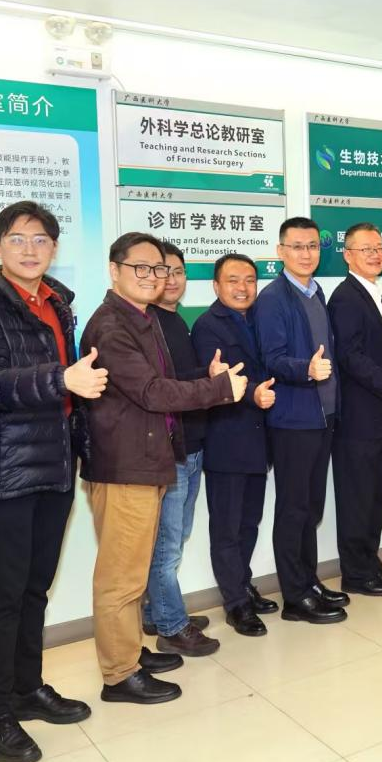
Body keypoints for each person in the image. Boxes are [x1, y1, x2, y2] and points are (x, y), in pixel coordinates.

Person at [0, 201, 104, 762]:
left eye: (40, 239)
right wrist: (61, 378)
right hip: (4, 472)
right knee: (3, 596)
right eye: (17, 239)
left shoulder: (56, 303)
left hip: (55, 466)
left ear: (54, 248)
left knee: (36, 588)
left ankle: (27, 688)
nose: (30, 249)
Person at [79, 233, 244, 705]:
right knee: (120, 578)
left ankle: (131, 653)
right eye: (140, 267)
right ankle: (119, 675)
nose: (152, 276)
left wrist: (206, 382)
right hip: (124, 466)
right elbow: (152, 392)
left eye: (159, 268)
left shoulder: (143, 319)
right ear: (114, 270)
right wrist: (219, 390)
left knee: (136, 572)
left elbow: (161, 385)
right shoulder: (111, 326)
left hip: (148, 460)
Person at [253, 217, 350, 624]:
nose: (306, 253)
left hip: (323, 416)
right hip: (293, 419)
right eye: (296, 246)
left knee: (311, 506)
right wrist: (306, 370)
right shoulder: (273, 298)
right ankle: (294, 597)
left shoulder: (316, 291)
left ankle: (308, 582)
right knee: (293, 508)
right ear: (280, 252)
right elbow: (272, 358)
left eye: (312, 246)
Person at [140, 241, 225, 657]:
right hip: (169, 450)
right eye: (162, 271)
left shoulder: (177, 321)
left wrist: (206, 376)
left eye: (177, 271)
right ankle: (172, 625)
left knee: (176, 536)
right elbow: (162, 388)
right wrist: (209, 380)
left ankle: (156, 611)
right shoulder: (147, 324)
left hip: (193, 445)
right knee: (167, 543)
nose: (170, 279)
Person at [191, 254, 278, 637]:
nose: (242, 288)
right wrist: (252, 393)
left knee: (249, 521)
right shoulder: (207, 326)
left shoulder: (262, 318)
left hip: (260, 438)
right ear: (216, 285)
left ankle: (243, 583)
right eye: (233, 280)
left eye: (249, 280)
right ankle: (235, 603)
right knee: (226, 527)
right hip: (227, 439)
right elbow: (217, 382)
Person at [327, 222, 382, 596]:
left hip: (378, 416)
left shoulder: (372, 292)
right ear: (348, 255)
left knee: (374, 495)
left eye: (379, 247)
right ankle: (356, 573)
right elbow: (349, 356)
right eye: (366, 249)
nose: (376, 254)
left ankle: (369, 563)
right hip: (358, 419)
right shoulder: (346, 298)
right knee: (357, 498)